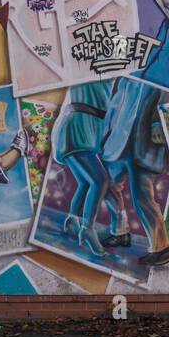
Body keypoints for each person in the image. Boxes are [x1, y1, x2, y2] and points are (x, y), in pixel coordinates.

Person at [100, 78, 169, 267]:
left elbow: (167, 98)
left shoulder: (160, 71)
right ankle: (120, 232)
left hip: (142, 142)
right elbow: (114, 106)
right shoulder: (126, 76)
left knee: (142, 198)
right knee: (107, 184)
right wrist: (105, 134)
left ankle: (162, 248)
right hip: (118, 142)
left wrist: (157, 122)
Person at [52, 81, 122, 258]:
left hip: (88, 127)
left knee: (85, 182)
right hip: (80, 126)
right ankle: (87, 228)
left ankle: (72, 218)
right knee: (100, 181)